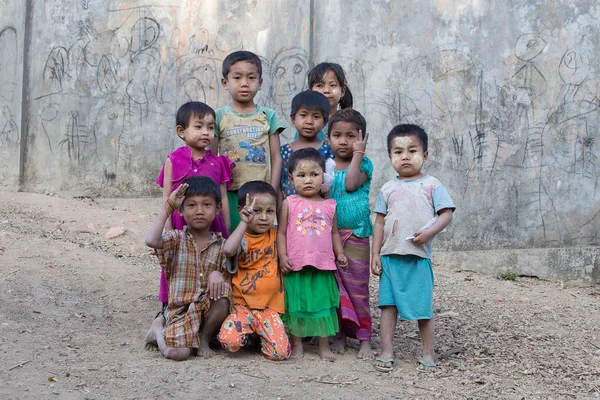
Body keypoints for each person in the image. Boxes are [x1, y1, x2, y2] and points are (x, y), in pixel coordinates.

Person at [371, 124, 455, 373]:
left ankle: (428, 353)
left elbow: (446, 214)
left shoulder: (432, 185)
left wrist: (429, 232)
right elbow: (379, 223)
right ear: (390, 157)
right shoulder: (387, 188)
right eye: (397, 152)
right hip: (390, 257)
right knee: (387, 306)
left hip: (418, 258)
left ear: (425, 155)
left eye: (412, 150)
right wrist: (375, 253)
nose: (405, 156)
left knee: (423, 309)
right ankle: (387, 351)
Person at [155, 101, 234, 310]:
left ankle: (209, 306)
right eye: (198, 127)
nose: (206, 132)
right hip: (181, 224)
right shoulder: (173, 159)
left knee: (211, 263)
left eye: (210, 127)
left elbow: (223, 199)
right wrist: (168, 229)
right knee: (179, 264)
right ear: (181, 131)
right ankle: (169, 305)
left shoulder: (218, 162)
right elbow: (167, 198)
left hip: (211, 224)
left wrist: (225, 230)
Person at [144, 176, 233, 361]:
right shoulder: (176, 239)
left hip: (207, 311)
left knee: (224, 293)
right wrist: (168, 206)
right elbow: (151, 240)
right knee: (179, 353)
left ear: (217, 209)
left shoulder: (223, 245)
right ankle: (158, 329)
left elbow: (231, 282)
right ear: (181, 211)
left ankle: (204, 338)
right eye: (191, 205)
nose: (199, 211)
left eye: (206, 205)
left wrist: (219, 275)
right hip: (180, 313)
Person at [277, 148, 348, 361]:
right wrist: (282, 256)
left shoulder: (330, 205)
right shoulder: (289, 203)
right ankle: (297, 344)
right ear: (291, 178)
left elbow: (334, 233)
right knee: (296, 306)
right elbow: (280, 232)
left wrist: (340, 253)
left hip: (323, 265)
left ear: (323, 176)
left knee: (324, 305)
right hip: (296, 265)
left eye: (314, 174)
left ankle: (324, 346)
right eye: (301, 175)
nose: (308, 180)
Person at [211, 51, 287, 232]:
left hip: (261, 192)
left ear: (260, 83)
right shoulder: (218, 116)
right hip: (230, 192)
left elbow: (276, 157)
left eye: (251, 77)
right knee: (232, 237)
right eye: (237, 77)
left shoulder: (268, 116)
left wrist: (272, 189)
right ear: (225, 82)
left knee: (260, 238)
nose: (244, 83)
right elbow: (212, 158)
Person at [218, 181, 290, 360]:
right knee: (229, 342)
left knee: (279, 353)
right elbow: (228, 250)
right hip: (242, 306)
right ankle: (249, 334)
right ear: (241, 210)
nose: (264, 217)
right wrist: (244, 223)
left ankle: (258, 336)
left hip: (269, 308)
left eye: (270, 211)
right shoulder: (240, 238)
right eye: (256, 211)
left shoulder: (276, 236)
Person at [326, 109, 374, 359]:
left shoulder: (364, 162)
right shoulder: (323, 164)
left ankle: (365, 337)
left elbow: (350, 184)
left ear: (362, 138)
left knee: (357, 288)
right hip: (329, 236)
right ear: (328, 137)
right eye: (337, 135)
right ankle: (340, 335)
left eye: (350, 136)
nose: (343, 141)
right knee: (336, 289)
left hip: (356, 235)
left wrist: (358, 153)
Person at [280, 91, 334, 199]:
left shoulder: (329, 149)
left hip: (320, 212)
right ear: (292, 118)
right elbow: (278, 184)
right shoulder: (283, 151)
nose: (309, 121)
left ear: (325, 121)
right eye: (303, 115)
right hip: (290, 211)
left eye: (316, 116)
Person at [295, 62, 354, 141]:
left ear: (342, 91)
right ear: (310, 91)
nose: (326, 90)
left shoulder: (351, 123)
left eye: (332, 85)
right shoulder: (306, 125)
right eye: (319, 85)